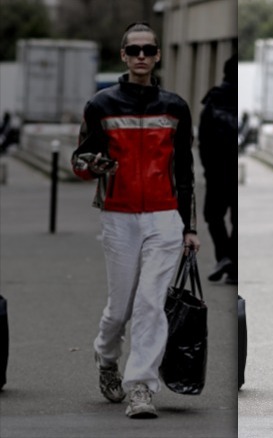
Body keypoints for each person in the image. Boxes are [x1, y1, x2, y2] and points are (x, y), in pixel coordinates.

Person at [71, 22, 199, 419]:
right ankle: (106, 356)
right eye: (134, 50)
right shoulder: (100, 105)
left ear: (157, 55)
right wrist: (92, 165)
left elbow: (184, 171)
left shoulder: (175, 106)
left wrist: (189, 226)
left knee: (150, 304)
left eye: (148, 49)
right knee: (120, 307)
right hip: (119, 217)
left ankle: (140, 386)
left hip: (164, 217)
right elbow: (79, 162)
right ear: (123, 56)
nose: (141, 56)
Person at [199, 54, 238, 284]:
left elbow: (203, 140)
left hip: (216, 170)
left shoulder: (212, 100)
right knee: (235, 217)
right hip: (230, 170)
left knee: (213, 215)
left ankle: (224, 256)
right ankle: (230, 263)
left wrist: (207, 167)